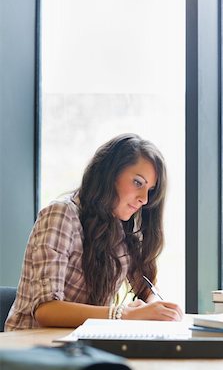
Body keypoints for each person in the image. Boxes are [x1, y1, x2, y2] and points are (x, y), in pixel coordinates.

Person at [5, 133, 183, 330]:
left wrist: (153, 309)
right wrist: (125, 314)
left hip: (81, 348)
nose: (144, 199)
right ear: (110, 174)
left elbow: (146, 288)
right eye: (138, 182)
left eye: (150, 190)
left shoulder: (119, 226)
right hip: (33, 350)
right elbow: (46, 310)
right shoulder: (62, 214)